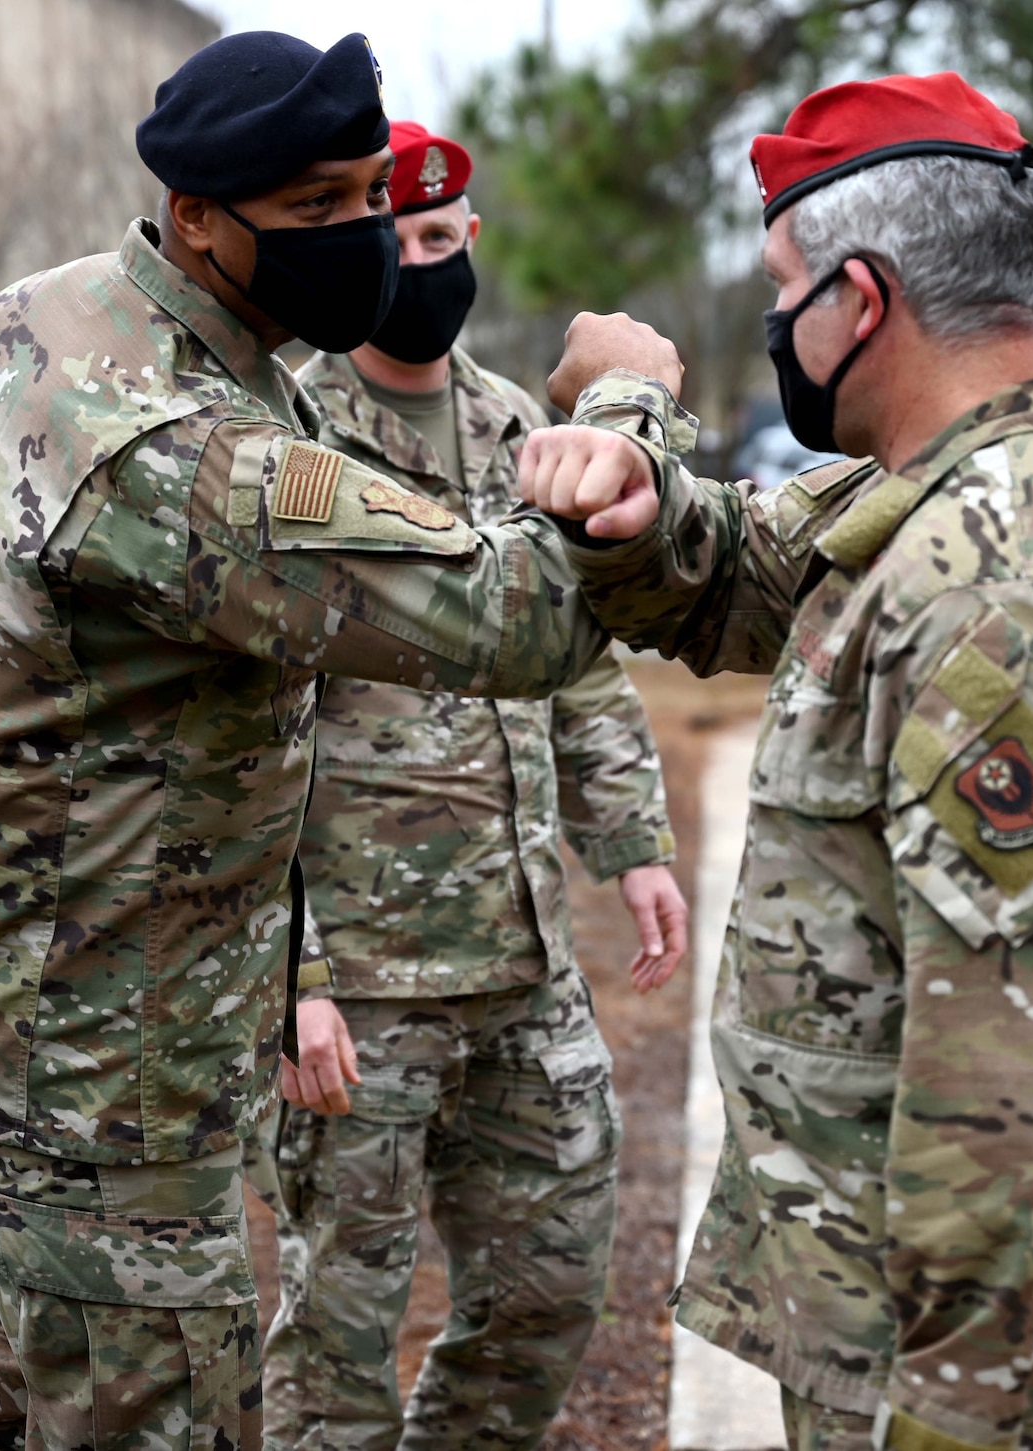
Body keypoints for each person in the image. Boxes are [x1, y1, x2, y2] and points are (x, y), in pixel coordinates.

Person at [0, 33, 617, 1451]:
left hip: (57, 992)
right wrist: (622, 411)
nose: (365, 238)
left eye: (372, 196)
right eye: (320, 211)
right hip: (98, 1053)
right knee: (154, 1375)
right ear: (200, 220)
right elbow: (517, 620)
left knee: (35, 1357)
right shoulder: (179, 447)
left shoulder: (51, 316)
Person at [519, 74, 1033, 1451]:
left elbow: (1011, 1105)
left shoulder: (1000, 587)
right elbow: (736, 572)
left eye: (783, 291)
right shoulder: (937, 486)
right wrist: (629, 469)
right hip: (873, 1299)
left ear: (864, 298)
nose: (774, 323)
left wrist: (954, 1416)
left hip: (948, 1357)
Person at [249, 121, 688, 1451]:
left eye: (440, 238)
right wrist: (295, 974)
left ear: (471, 242)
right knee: (338, 1336)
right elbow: (243, 727)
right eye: (393, 238)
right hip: (362, 983)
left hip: (521, 960)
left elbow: (580, 662)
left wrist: (635, 842)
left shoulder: (525, 433)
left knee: (551, 1286)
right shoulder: (295, 438)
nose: (419, 261)